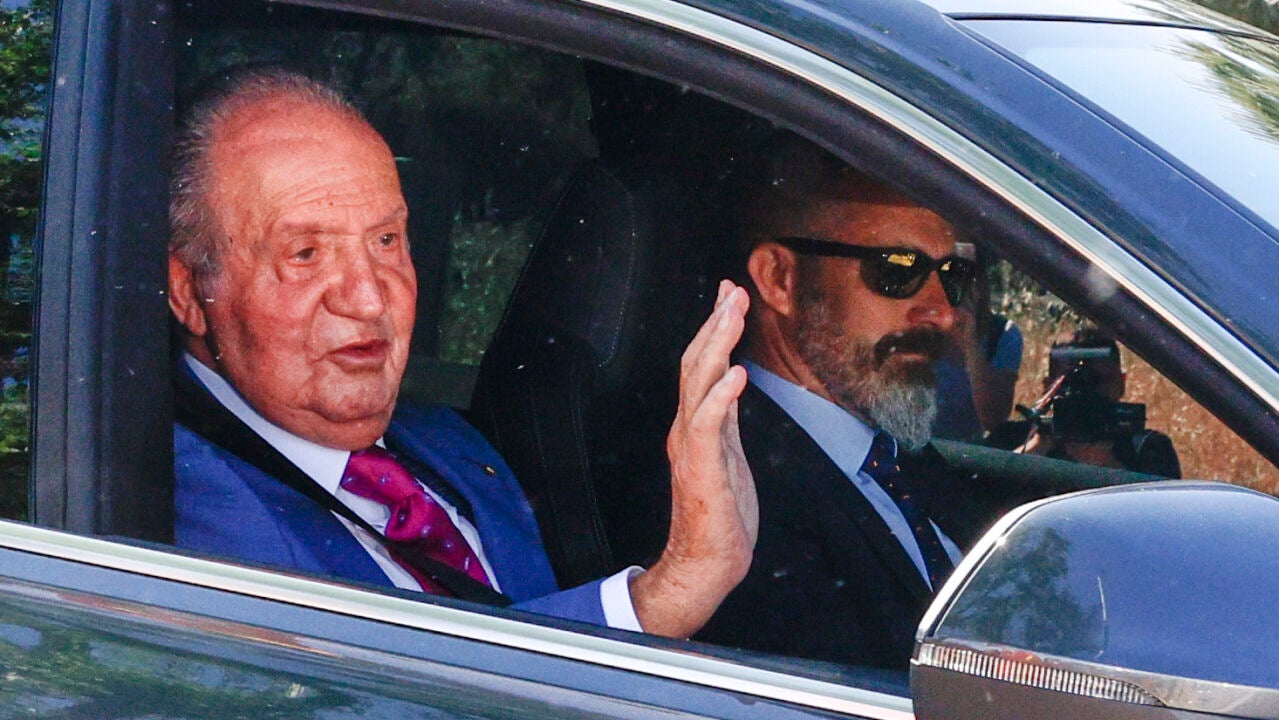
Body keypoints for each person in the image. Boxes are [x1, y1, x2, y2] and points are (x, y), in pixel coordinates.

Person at [166, 67, 758, 639]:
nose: (369, 297)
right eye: (305, 254)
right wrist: (672, 592)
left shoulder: (448, 446)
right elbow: (379, 690)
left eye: (386, 240)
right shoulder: (173, 510)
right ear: (190, 292)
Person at [688, 137, 988, 670]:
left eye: (953, 276)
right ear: (779, 279)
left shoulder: (896, 456)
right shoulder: (730, 490)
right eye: (897, 270)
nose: (943, 313)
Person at [991, 326, 1181, 478]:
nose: (1087, 393)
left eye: (1100, 381)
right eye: (1071, 384)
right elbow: (983, 492)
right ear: (1048, 386)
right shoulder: (1013, 437)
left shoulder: (1148, 448)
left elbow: (1158, 506)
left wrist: (1107, 465)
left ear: (1121, 383)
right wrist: (1036, 449)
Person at [932, 249, 1022, 442]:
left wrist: (970, 343)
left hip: (966, 453)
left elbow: (994, 419)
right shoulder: (920, 325)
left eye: (968, 274)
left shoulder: (1001, 335)